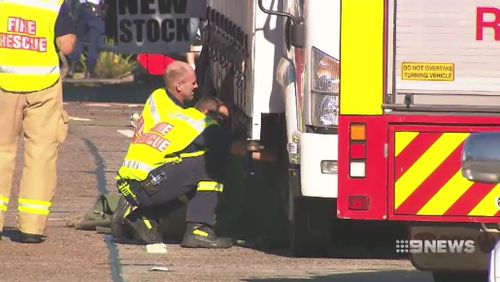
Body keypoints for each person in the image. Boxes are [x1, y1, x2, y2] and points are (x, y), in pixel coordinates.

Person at [112, 61, 233, 248]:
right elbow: (232, 146)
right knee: (210, 162)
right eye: (193, 83)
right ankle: (199, 230)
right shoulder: (195, 123)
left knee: (185, 171)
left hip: (130, 181)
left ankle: (143, 217)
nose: (197, 86)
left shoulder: (157, 98)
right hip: (149, 183)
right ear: (179, 85)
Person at [0, 0, 76, 243]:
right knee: (41, 153)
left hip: (4, 82)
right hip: (43, 85)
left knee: (2, 152)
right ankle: (31, 226)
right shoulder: (54, 3)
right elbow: (67, 46)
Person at [68, 0, 106, 78]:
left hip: (82, 8)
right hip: (94, 10)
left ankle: (72, 67)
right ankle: (90, 70)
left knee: (79, 39)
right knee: (94, 42)